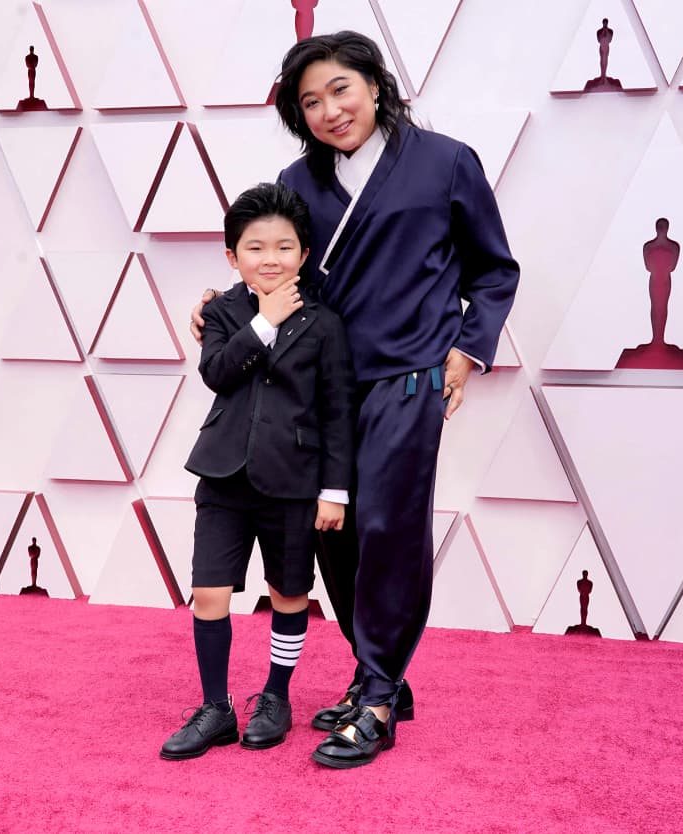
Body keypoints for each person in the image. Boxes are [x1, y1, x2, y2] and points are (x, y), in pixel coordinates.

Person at [191, 31, 519, 768]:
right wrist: (224, 306)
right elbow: (275, 266)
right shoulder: (297, 181)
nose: (330, 110)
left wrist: (465, 352)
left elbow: (494, 270)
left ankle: (374, 696)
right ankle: (384, 673)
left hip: (407, 376)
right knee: (330, 533)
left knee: (387, 529)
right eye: (310, 102)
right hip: (316, 386)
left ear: (375, 83)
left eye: (341, 88)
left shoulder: (447, 163)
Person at [161, 182, 354, 761]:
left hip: (295, 484)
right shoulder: (220, 312)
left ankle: (275, 696)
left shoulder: (325, 324)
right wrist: (263, 321)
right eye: (255, 247)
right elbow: (218, 372)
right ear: (232, 256)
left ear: (303, 253)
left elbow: (338, 411)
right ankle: (215, 707)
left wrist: (335, 491)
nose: (270, 259)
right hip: (222, 478)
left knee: (289, 593)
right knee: (207, 593)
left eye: (284, 247)